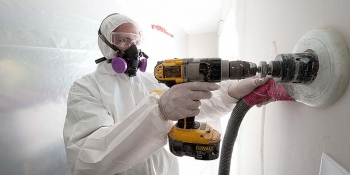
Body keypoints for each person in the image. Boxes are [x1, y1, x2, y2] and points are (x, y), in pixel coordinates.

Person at [63, 13, 269, 175]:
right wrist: (159, 111)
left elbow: (195, 105)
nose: (133, 48)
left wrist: (231, 93)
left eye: (135, 40)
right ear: (105, 45)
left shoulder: (151, 80)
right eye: (123, 40)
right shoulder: (86, 88)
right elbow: (88, 158)